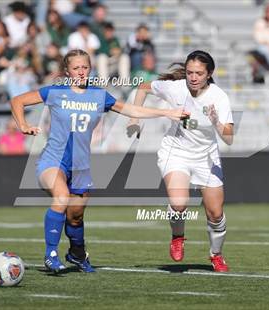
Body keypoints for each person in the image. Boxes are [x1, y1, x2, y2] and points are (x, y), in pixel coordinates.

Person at [10, 49, 189, 273]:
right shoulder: (55, 92)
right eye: (76, 68)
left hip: (81, 165)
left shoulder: (99, 95)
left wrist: (166, 113)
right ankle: (51, 255)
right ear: (67, 71)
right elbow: (17, 101)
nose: (81, 71)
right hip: (53, 159)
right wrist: (23, 126)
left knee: (75, 217)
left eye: (85, 67)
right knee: (62, 196)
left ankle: (76, 253)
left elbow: (129, 109)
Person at [127, 50, 234, 272]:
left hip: (206, 157)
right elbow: (143, 87)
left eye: (199, 73)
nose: (193, 77)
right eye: (189, 72)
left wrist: (215, 121)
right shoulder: (175, 88)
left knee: (215, 213)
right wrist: (135, 119)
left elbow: (229, 138)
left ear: (209, 74)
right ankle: (178, 236)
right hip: (176, 152)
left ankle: (216, 255)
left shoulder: (219, 97)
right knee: (178, 203)